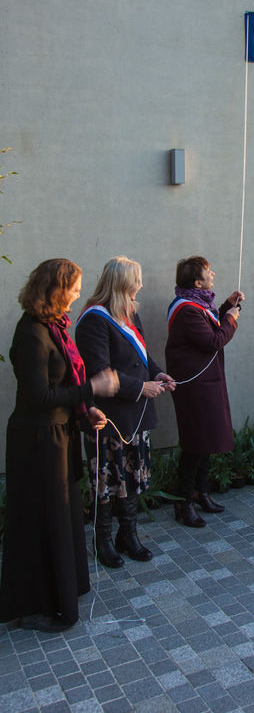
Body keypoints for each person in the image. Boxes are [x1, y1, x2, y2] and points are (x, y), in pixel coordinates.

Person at [0, 259, 118, 632]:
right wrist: (92, 388)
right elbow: (39, 396)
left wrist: (87, 410)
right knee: (41, 521)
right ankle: (43, 606)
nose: (78, 294)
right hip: (36, 442)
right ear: (56, 289)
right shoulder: (32, 333)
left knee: (62, 518)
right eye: (74, 288)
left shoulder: (57, 327)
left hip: (58, 435)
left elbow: (65, 386)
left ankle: (64, 593)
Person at [75, 256, 175, 568]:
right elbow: (100, 371)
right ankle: (102, 539)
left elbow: (143, 355)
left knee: (131, 478)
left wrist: (157, 374)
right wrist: (140, 387)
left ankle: (128, 534)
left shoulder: (129, 312)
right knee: (107, 481)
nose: (140, 286)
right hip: (109, 418)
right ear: (121, 283)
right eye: (136, 280)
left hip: (135, 415)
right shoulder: (94, 320)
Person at [165, 255, 244, 527]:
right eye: (208, 272)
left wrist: (227, 307)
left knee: (206, 440)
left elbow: (208, 324)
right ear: (197, 283)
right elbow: (213, 340)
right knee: (195, 444)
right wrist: (231, 320)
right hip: (195, 387)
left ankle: (201, 493)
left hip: (206, 383)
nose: (213, 274)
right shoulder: (187, 309)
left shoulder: (198, 303)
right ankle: (183, 502)